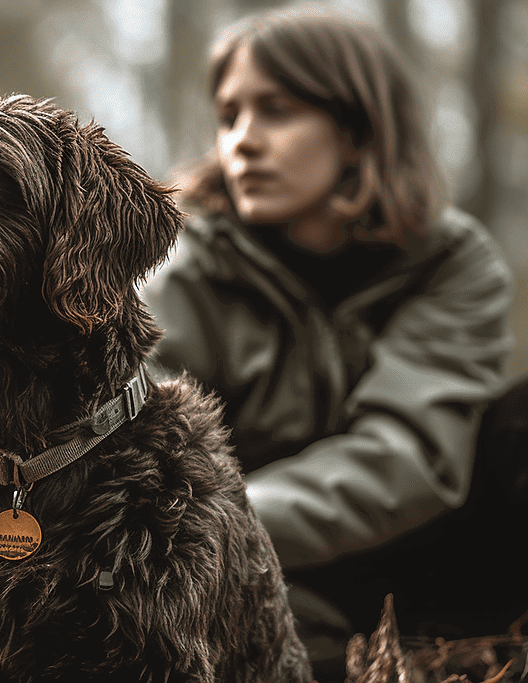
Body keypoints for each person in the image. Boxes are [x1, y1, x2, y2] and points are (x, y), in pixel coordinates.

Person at [141, 6, 527, 679]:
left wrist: (219, 523)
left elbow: (409, 456)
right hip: (262, 573)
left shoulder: (454, 262)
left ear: (356, 131)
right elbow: (132, 464)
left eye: (277, 110)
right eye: (229, 115)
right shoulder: (184, 272)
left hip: (430, 550)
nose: (242, 141)